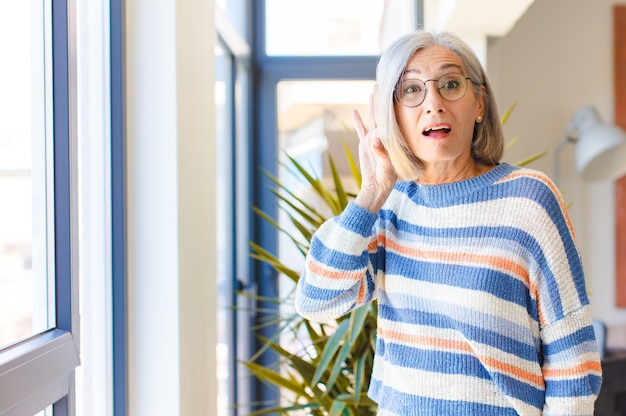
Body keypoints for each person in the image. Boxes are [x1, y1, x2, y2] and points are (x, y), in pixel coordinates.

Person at [294, 29, 602, 416]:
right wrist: (373, 190)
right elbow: (316, 300)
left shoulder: (529, 200)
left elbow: (573, 358)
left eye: (451, 84)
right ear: (393, 116)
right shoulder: (392, 206)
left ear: (479, 104)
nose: (433, 103)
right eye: (411, 91)